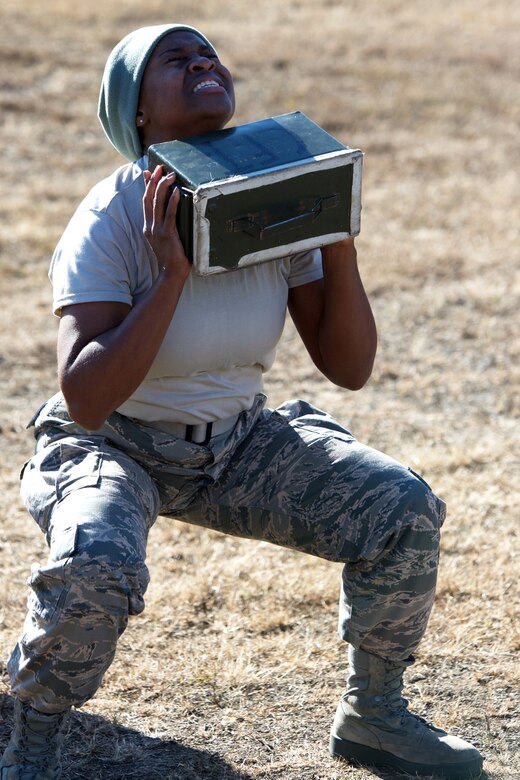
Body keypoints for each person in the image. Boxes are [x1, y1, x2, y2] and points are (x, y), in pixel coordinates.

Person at [0, 23, 483, 780]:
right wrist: (171, 276)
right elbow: (86, 397)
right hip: (112, 443)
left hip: (235, 442)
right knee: (96, 565)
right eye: (174, 58)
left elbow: (348, 367)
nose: (202, 61)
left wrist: (337, 237)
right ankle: (30, 742)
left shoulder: (269, 197)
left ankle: (375, 718)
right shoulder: (111, 215)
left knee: (402, 508)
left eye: (207, 53)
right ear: (137, 112)